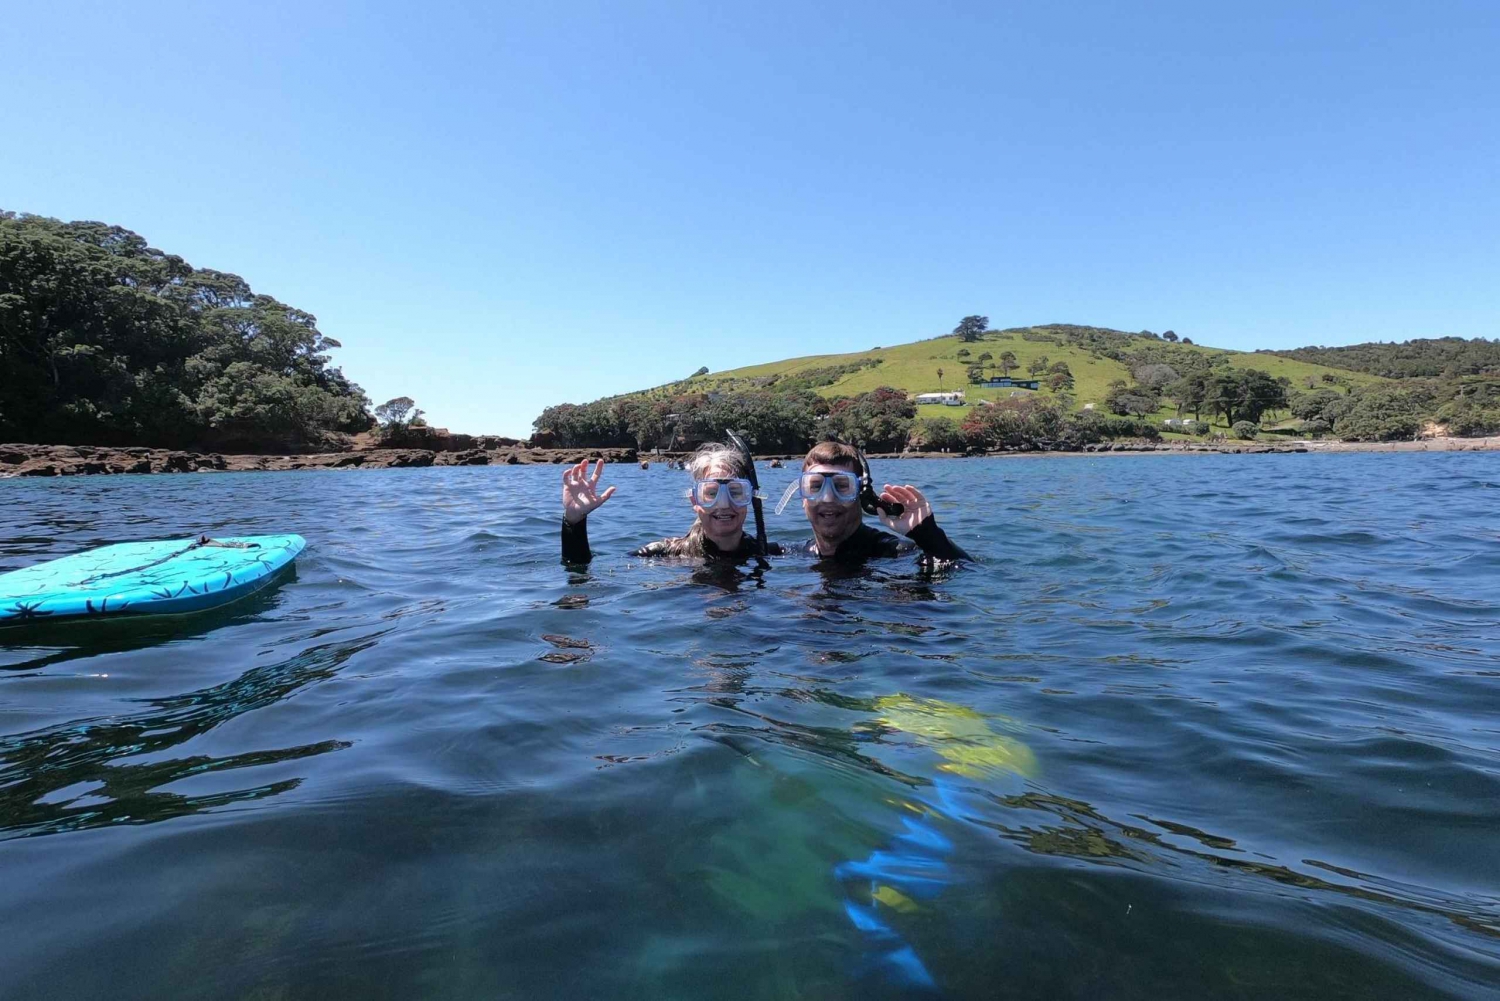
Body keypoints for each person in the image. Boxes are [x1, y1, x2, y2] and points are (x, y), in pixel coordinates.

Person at [561, 444, 784, 563]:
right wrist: (574, 523)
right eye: (711, 493)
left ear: (750, 498)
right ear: (694, 500)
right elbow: (582, 570)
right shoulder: (663, 555)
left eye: (735, 492)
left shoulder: (770, 553)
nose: (723, 504)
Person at [792, 441, 970, 562]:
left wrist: (931, 538)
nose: (828, 497)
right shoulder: (787, 554)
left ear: (861, 495)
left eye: (842, 486)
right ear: (802, 497)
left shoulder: (895, 554)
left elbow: (967, 574)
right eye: (815, 486)